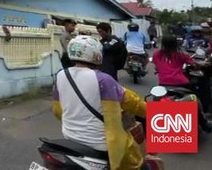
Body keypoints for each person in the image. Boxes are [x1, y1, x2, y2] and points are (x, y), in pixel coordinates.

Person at [52, 35, 149, 170]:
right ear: (96, 55)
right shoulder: (103, 80)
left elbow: (57, 111)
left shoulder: (61, 76)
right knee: (141, 165)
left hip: (71, 139)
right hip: (101, 144)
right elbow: (133, 103)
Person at [152, 36, 212, 130]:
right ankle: (203, 123)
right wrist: (203, 64)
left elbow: (156, 67)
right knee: (196, 97)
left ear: (163, 44)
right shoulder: (180, 54)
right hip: (181, 83)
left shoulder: (157, 54)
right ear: (176, 44)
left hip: (163, 84)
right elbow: (194, 63)